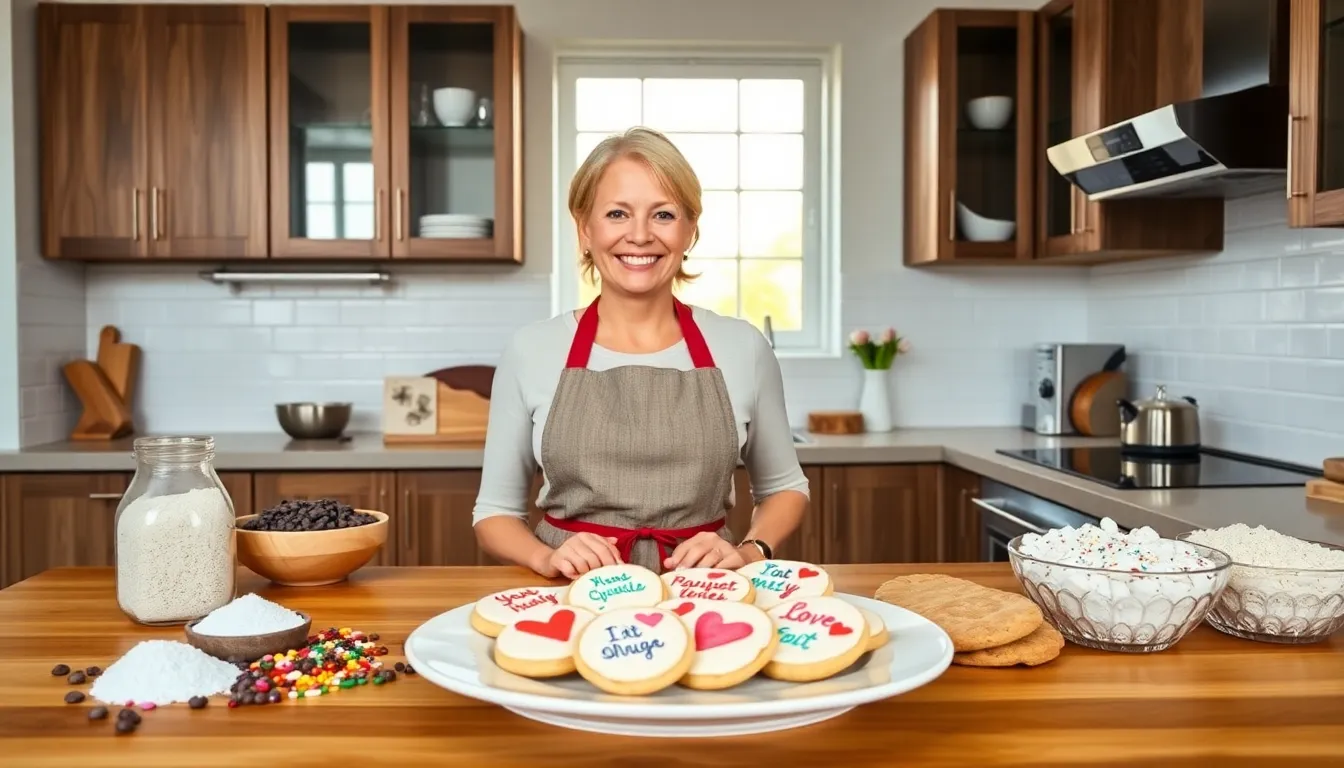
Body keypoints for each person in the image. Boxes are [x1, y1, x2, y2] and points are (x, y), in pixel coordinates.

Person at [472, 126, 810, 579]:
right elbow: (494, 514)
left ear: (690, 230)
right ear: (585, 228)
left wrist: (750, 551)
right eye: (617, 213)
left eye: (664, 215)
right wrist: (546, 557)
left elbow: (786, 488)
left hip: (704, 594)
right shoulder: (531, 349)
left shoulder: (743, 346)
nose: (639, 235)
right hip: (572, 596)